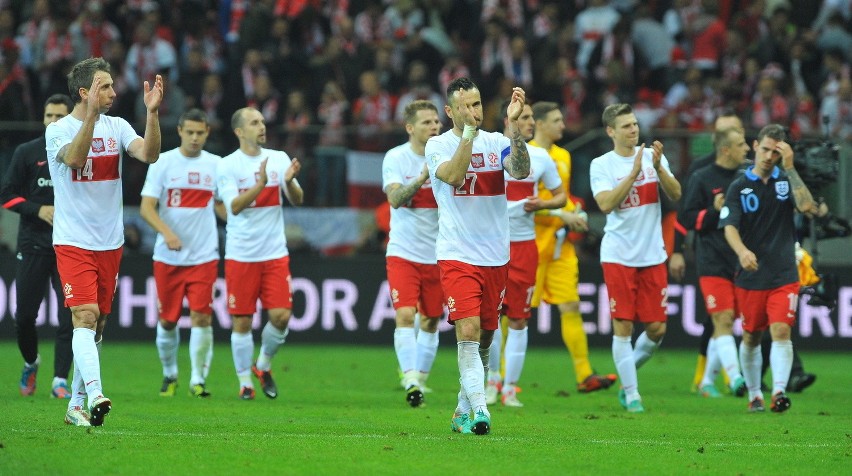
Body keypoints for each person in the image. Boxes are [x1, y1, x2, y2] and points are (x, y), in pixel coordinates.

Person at [45, 57, 163, 426]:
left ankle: (76, 405)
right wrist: (91, 117)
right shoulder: (59, 131)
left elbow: (150, 154)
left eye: (112, 85)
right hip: (73, 239)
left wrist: (153, 114)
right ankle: (95, 392)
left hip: (109, 242)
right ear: (85, 92)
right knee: (85, 314)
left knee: (97, 326)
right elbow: (77, 159)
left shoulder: (119, 126)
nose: (113, 92)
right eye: (105, 86)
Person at [425, 77, 530, 435]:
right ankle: (482, 410)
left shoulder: (497, 142)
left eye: (478, 104)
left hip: (496, 256)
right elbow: (454, 176)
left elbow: (519, 170)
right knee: (467, 331)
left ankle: (461, 409)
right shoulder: (436, 145)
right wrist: (468, 133)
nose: (475, 111)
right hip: (457, 253)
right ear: (450, 111)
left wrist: (514, 129)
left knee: (485, 337)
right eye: (467, 106)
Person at [720, 124, 820, 413]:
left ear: (782, 153)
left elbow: (806, 206)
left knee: (780, 331)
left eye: (775, 151)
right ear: (755, 146)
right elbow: (729, 226)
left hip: (784, 273)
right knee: (751, 336)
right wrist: (741, 252)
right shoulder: (739, 185)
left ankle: (778, 392)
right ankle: (754, 394)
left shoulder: (786, 180)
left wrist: (790, 167)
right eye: (764, 149)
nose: (767, 156)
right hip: (751, 275)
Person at [589, 103, 682, 413]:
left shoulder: (654, 159)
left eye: (634, 124)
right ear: (611, 131)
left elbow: (676, 194)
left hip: (652, 254)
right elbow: (605, 204)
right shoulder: (601, 165)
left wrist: (656, 169)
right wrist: (631, 175)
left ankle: (628, 374)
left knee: (657, 329)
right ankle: (632, 394)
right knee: (623, 326)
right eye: (626, 125)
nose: (633, 129)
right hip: (618, 255)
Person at [528, 101, 618, 394]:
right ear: (539, 124)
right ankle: (500, 380)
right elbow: (519, 206)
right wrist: (560, 214)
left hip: (558, 246)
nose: (563, 126)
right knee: (514, 315)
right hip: (528, 246)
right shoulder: (523, 157)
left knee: (572, 306)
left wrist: (574, 212)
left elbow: (560, 197)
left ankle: (584, 374)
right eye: (556, 120)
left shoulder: (564, 156)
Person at [217, 107, 304, 400]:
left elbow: (298, 200)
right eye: (254, 123)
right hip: (241, 254)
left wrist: (289, 181)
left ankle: (263, 365)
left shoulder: (278, 159)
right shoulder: (228, 165)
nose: (262, 126)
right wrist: (261, 183)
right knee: (242, 321)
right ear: (239, 131)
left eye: (263, 122)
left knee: (281, 316)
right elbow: (234, 207)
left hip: (274, 253)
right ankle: (245, 383)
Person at [139, 108, 225, 398]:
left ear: (207, 133)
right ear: (179, 131)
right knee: (167, 320)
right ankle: (169, 374)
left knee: (202, 317)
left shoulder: (217, 165)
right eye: (190, 132)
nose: (195, 138)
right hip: (168, 257)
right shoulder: (162, 162)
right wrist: (167, 233)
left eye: (200, 132)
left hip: (204, 255)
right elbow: (146, 207)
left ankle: (198, 380)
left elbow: (223, 205)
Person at [485, 101, 565, 408]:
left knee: (518, 320)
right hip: (491, 245)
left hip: (524, 247)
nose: (531, 122)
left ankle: (510, 388)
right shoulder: (491, 148)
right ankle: (492, 379)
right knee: (490, 318)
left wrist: (542, 204)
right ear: (509, 118)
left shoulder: (542, 158)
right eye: (525, 116)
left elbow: (561, 197)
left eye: (532, 117)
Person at [1, 93, 75, 398]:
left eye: (60, 116)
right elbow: (6, 195)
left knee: (69, 316)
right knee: (24, 317)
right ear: (43, 119)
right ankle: (31, 362)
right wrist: (37, 209)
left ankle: (60, 379)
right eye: (49, 116)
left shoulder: (77, 154)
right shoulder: (27, 152)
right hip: (32, 244)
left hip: (67, 246)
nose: (54, 122)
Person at [678, 126, 750, 398]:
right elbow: (687, 219)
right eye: (741, 144)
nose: (747, 148)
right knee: (722, 317)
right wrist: (713, 211)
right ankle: (735, 379)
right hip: (712, 259)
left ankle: (707, 382)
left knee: (731, 322)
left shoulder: (749, 178)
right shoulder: (702, 178)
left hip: (743, 258)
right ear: (725, 150)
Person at [381, 100, 443, 408]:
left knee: (431, 320)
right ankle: (410, 379)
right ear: (410, 128)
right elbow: (394, 198)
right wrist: (420, 178)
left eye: (436, 121)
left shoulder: (448, 156)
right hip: (404, 252)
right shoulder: (396, 157)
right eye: (426, 122)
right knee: (406, 314)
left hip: (440, 254)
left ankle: (420, 377)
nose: (434, 126)